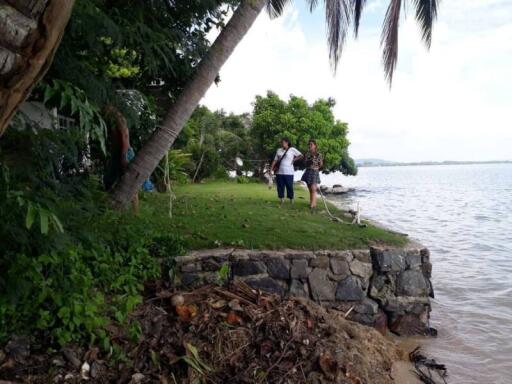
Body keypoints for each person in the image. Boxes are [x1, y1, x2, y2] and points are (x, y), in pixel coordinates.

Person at [271, 137, 303, 204]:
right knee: (280, 186)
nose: (282, 144)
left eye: (283, 142)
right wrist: (271, 168)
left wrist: (294, 160)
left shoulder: (292, 149)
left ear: (287, 142)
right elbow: (275, 160)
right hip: (279, 172)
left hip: (289, 172)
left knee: (289, 186)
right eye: (281, 142)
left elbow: (301, 155)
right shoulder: (279, 150)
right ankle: (281, 199)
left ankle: (291, 199)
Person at [301, 139, 323, 211]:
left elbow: (321, 164)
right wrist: (308, 162)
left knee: (313, 188)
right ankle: (313, 202)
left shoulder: (319, 154)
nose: (310, 146)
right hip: (308, 171)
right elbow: (304, 163)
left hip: (314, 171)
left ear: (315, 146)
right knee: (310, 188)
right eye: (309, 144)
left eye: (311, 144)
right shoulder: (307, 154)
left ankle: (312, 205)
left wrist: (316, 167)